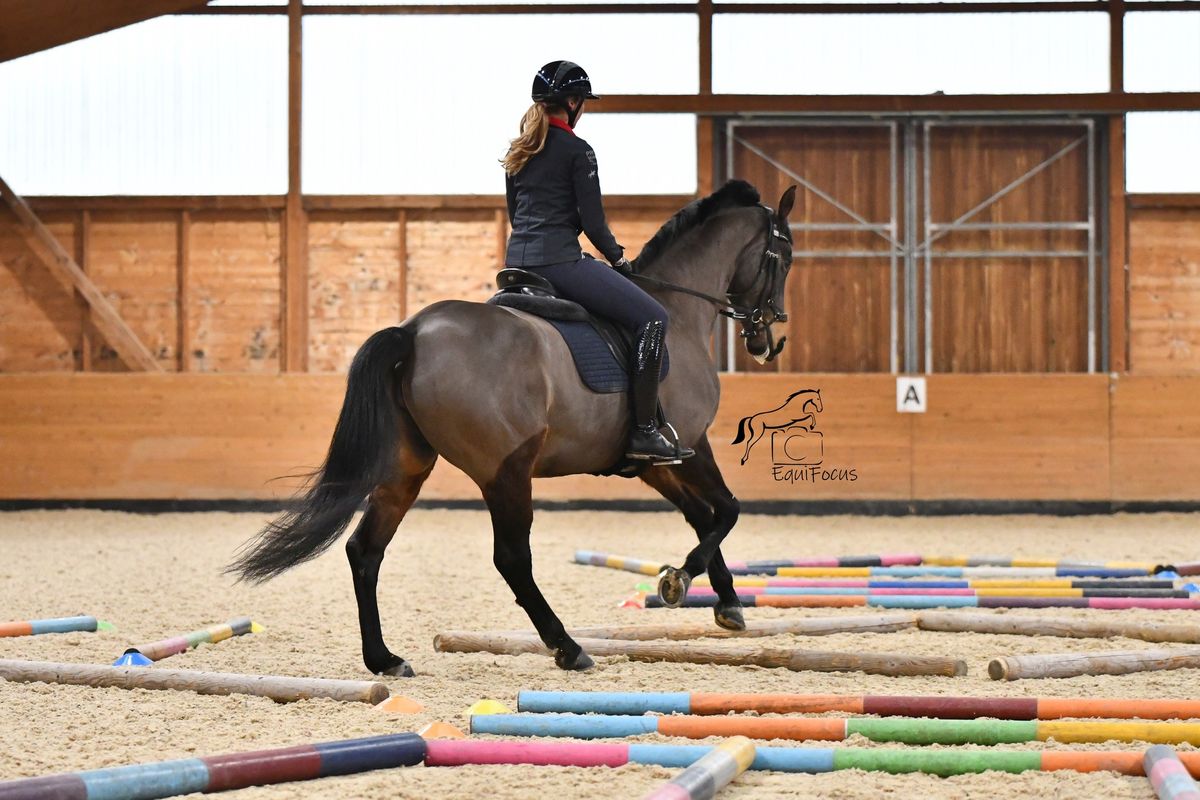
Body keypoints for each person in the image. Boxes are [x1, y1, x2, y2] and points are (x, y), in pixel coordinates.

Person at [502, 60, 693, 466]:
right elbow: (592, 222)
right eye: (582, 101)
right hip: (560, 264)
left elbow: (516, 217)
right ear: (572, 103)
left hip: (517, 264)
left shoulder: (518, 151)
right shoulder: (578, 151)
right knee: (653, 318)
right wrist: (619, 259)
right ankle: (644, 431)